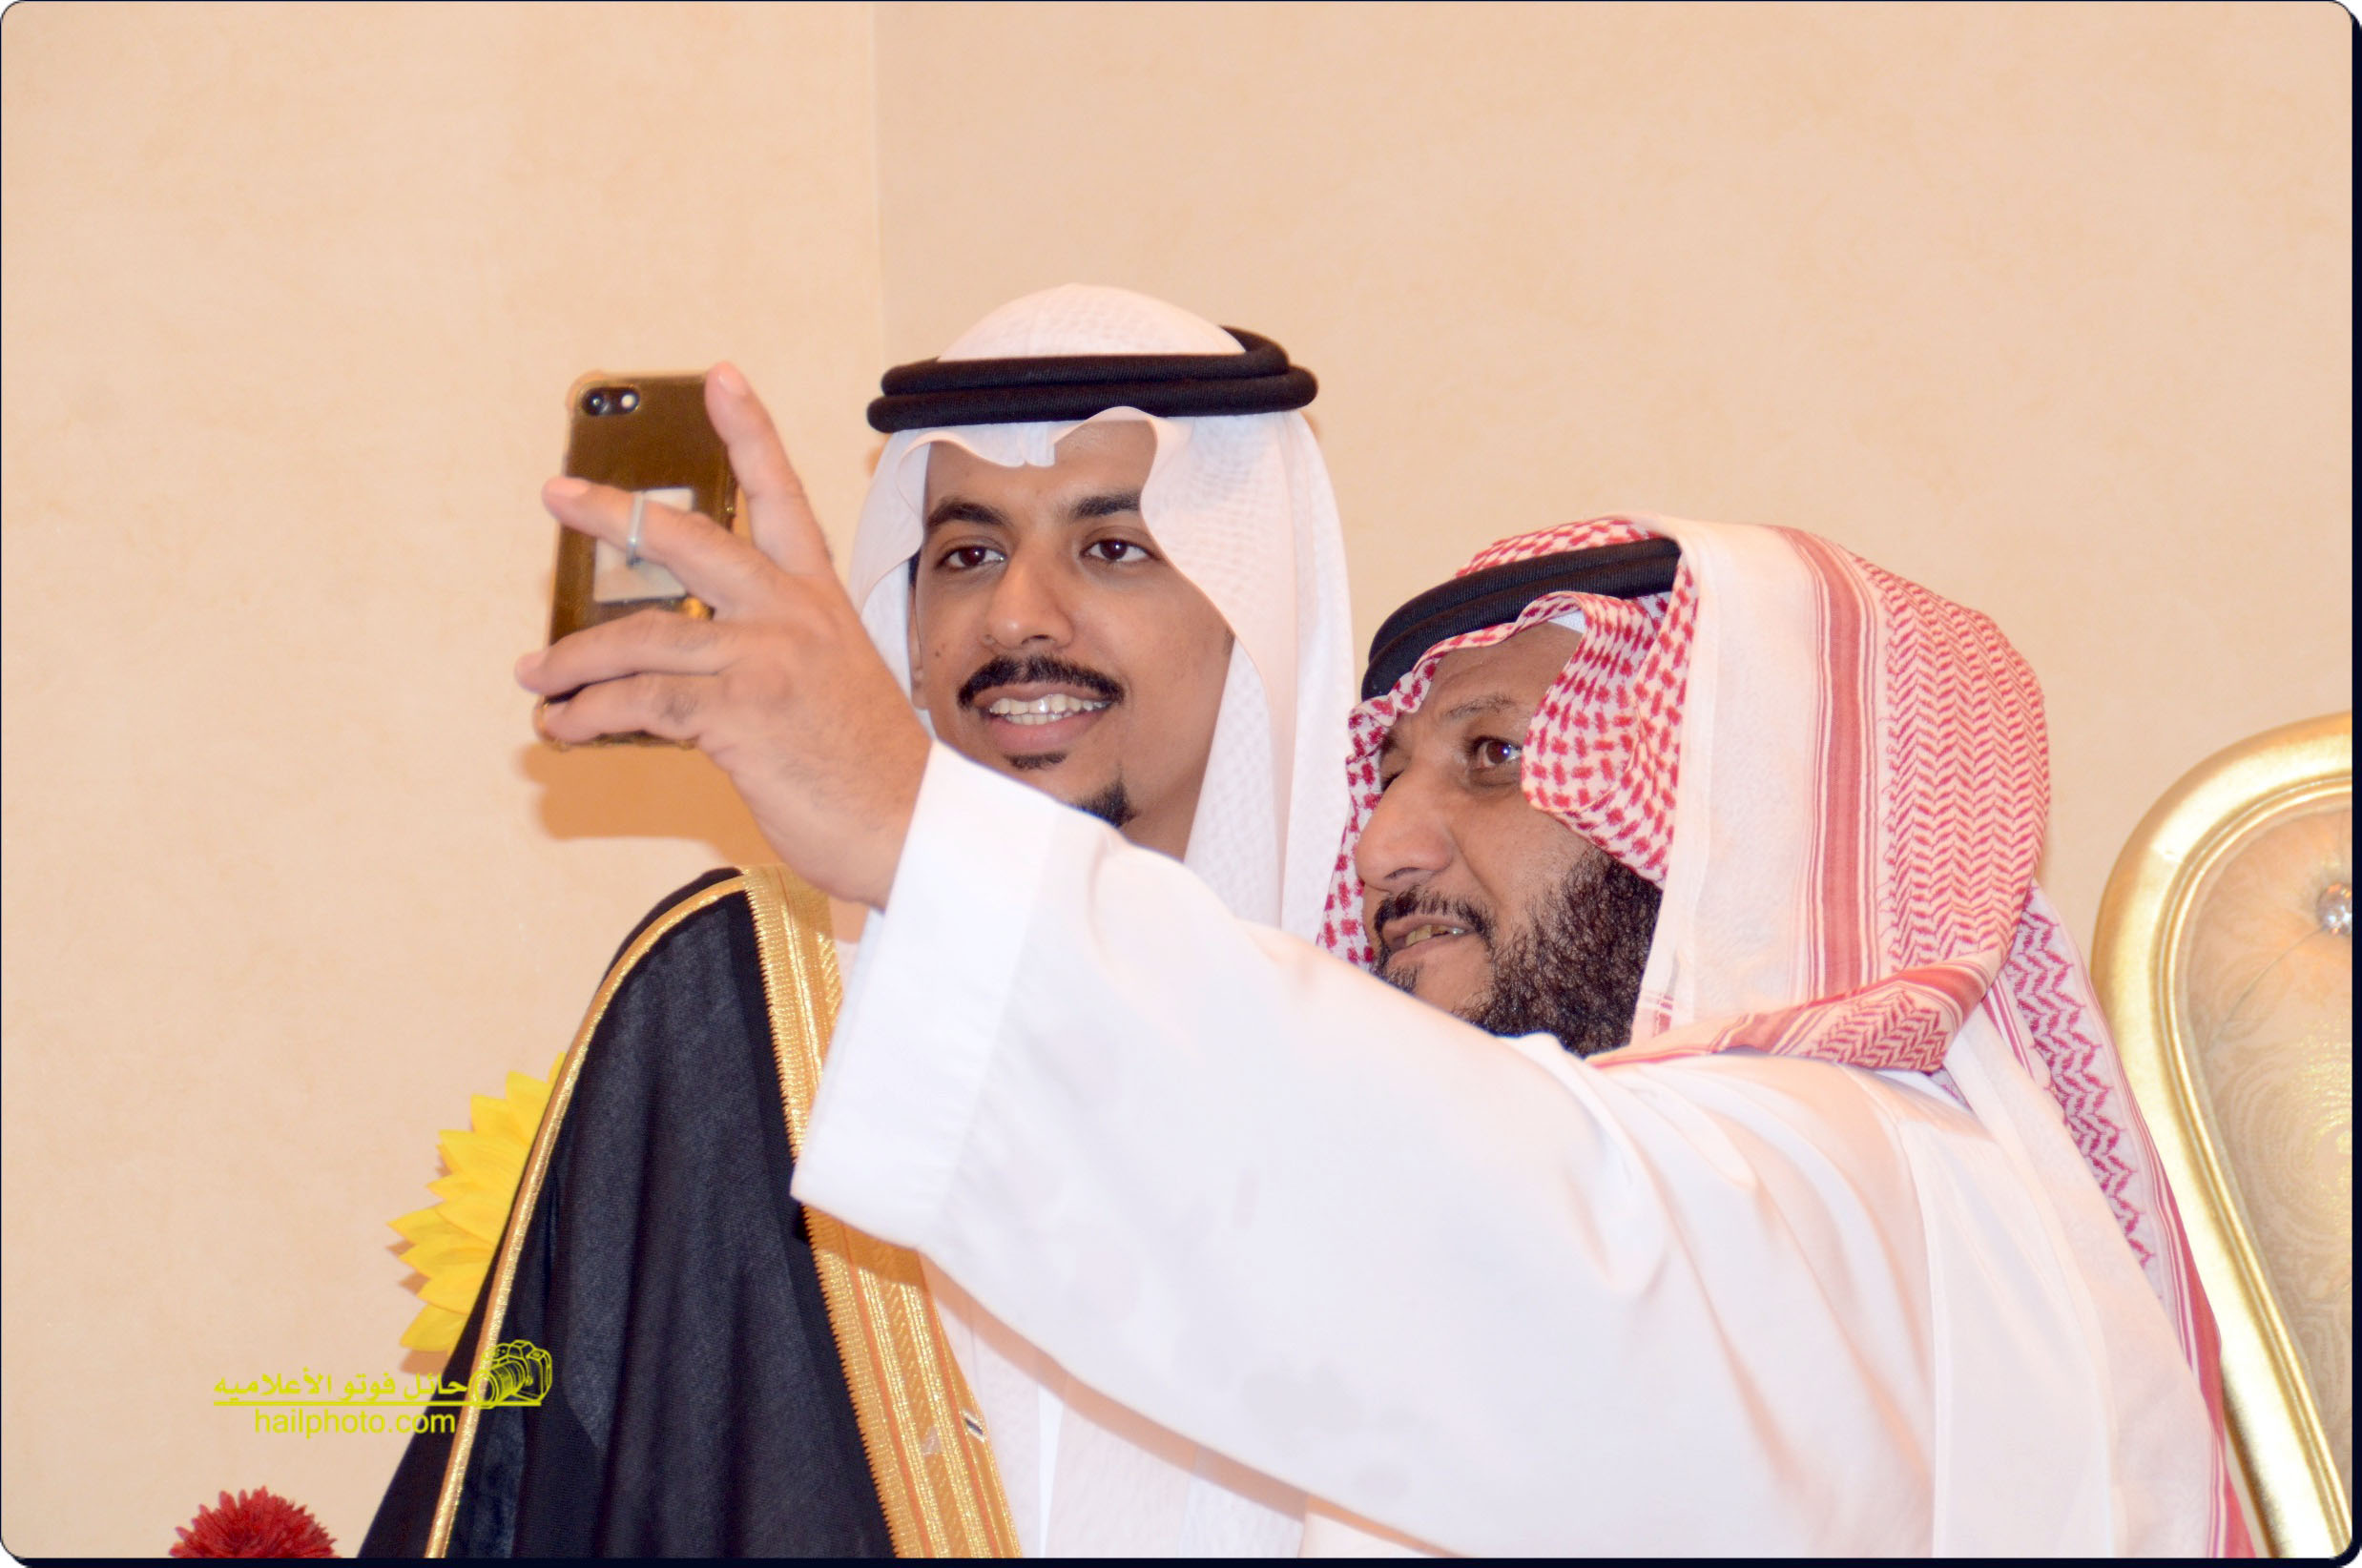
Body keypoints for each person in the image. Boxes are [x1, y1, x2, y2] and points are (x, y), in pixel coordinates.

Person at [519, 446, 2248, 1550]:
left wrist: (911, 818)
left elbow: (1465, 1213)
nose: (1389, 841)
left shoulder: (1849, 1193)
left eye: (1494, 760)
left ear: (1748, 820)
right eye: (1392, 771)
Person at [363, 286, 1355, 1556]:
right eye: (967, 555)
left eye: (1113, 549)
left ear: (1255, 609)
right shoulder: (736, 1011)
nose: (1017, 616)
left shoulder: (1395, 1056)